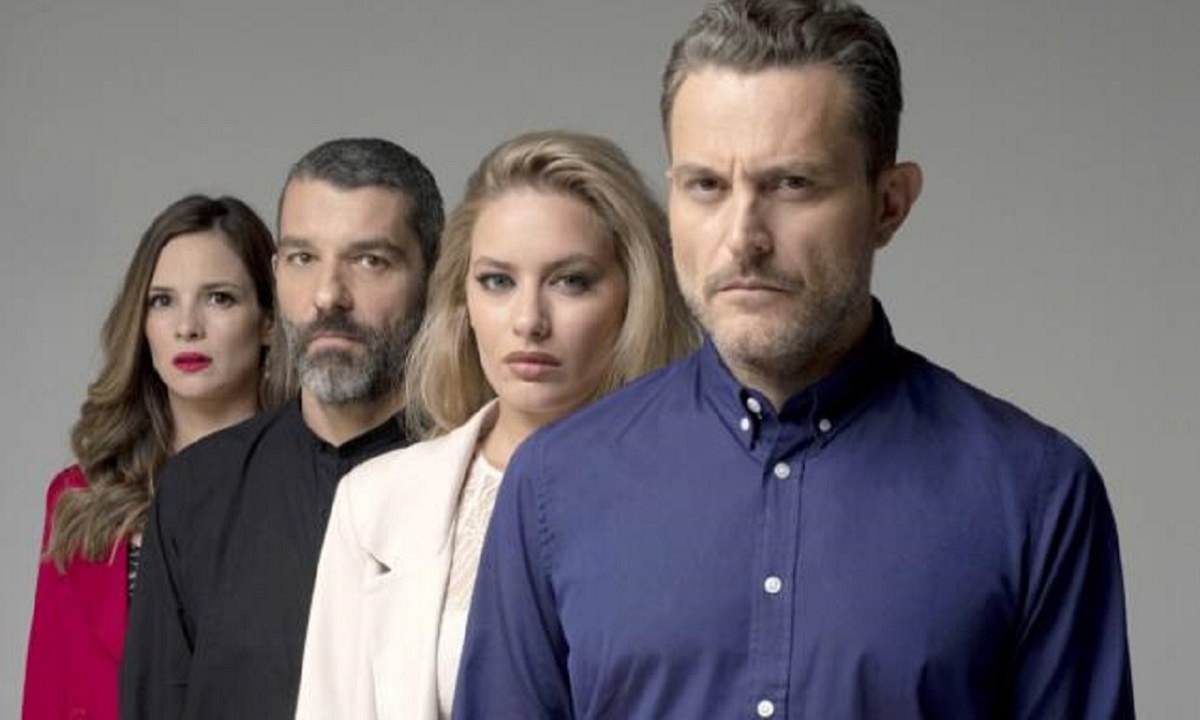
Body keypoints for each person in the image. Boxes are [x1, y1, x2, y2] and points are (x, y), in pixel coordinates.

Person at [454, 1, 1135, 718]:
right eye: (707, 186)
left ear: (890, 204)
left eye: (791, 184)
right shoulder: (554, 486)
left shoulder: (1034, 494)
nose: (743, 238)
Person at [294, 130, 696, 720]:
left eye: (570, 280)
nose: (529, 320)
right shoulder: (373, 502)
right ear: (463, 300)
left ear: (635, 296)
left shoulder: (700, 494)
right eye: (498, 281)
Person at [119, 138, 444, 720]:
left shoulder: (482, 486)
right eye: (302, 258)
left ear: (435, 277)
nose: (328, 296)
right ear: (275, 276)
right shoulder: (196, 490)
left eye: (370, 260)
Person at [22, 194, 276, 720]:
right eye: (162, 301)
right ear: (141, 323)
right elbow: (48, 696)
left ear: (269, 320)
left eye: (219, 298)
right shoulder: (81, 500)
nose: (187, 326)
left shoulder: (315, 488)